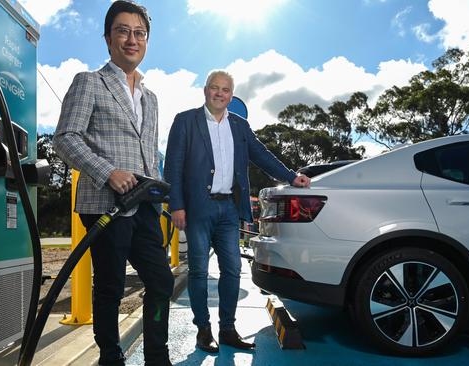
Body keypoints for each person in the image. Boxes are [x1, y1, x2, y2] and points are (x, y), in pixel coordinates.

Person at [53, 1, 173, 365]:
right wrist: (108, 172)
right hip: (105, 205)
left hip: (145, 206)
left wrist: (161, 191)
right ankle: (110, 355)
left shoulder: (150, 98)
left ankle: (156, 354)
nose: (131, 39)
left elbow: (149, 155)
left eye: (139, 33)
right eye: (123, 31)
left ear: (147, 41)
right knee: (110, 287)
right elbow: (65, 138)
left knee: (161, 282)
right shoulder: (89, 82)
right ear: (108, 39)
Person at [163, 70, 310, 353]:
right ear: (205, 91)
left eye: (226, 90)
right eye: (215, 88)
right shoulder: (185, 121)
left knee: (232, 269)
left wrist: (291, 177)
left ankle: (228, 329)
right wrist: (176, 205)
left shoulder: (240, 126)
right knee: (198, 271)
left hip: (229, 208)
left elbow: (262, 156)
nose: (220, 93)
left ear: (231, 95)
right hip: (198, 208)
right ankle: (203, 331)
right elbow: (174, 167)